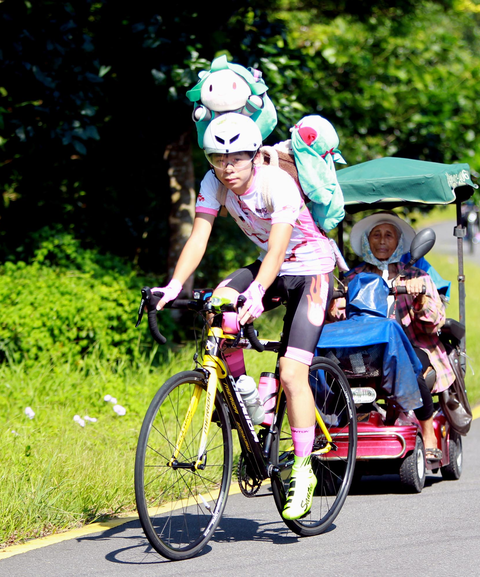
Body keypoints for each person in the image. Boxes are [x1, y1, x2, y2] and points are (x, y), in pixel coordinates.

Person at [151, 113, 336, 520]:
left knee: (291, 373)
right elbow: (198, 237)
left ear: (254, 155)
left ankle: (303, 470)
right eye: (218, 157)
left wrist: (255, 293)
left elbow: (276, 250)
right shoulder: (214, 182)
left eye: (236, 158)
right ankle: (251, 402)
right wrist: (175, 284)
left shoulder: (276, 183)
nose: (227, 167)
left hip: (310, 272)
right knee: (219, 303)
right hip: (272, 267)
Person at [342, 212, 455, 461]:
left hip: (410, 347)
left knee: (413, 367)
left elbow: (435, 322)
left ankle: (428, 434)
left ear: (399, 242)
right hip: (363, 351)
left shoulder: (416, 276)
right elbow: (336, 317)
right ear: (367, 241)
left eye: (389, 235)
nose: (382, 241)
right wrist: (335, 307)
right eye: (376, 235)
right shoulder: (352, 278)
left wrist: (420, 298)